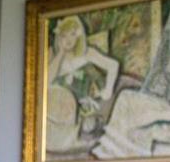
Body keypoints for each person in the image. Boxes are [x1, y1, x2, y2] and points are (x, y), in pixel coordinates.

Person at [91, 0, 170, 159]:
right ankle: (109, 154)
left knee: (139, 127)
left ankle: (125, 160)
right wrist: (146, 109)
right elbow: (156, 93)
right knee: (126, 97)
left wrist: (152, 116)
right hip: (168, 110)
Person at [45, 15, 119, 153]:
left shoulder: (87, 53)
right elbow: (45, 82)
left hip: (80, 107)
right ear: (59, 38)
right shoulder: (54, 57)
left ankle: (68, 139)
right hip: (57, 109)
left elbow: (114, 65)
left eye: (72, 35)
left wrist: (107, 91)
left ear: (79, 36)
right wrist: (61, 53)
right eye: (64, 36)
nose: (68, 40)